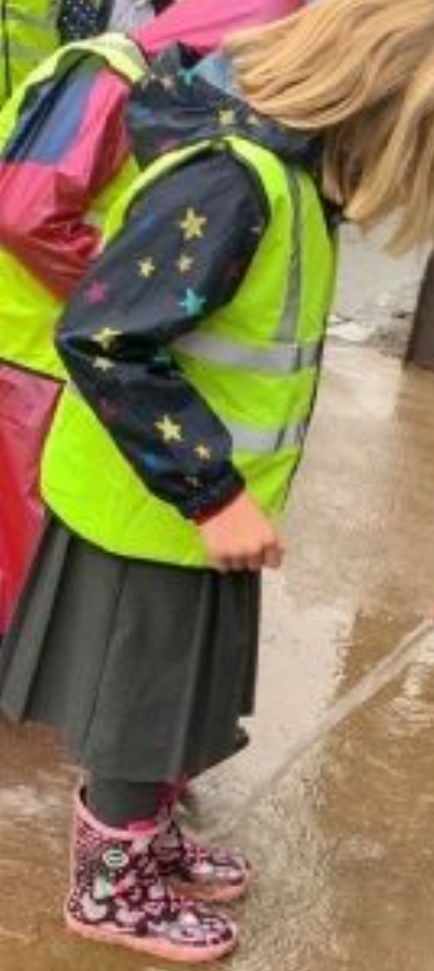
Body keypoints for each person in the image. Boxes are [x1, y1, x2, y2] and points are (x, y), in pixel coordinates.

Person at [0, 0, 434, 963]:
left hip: (191, 508)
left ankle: (143, 840)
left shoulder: (284, 180)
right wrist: (212, 491)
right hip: (155, 506)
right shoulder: (235, 185)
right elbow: (103, 335)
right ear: (373, 111)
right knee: (140, 703)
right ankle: (109, 887)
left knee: (180, 689)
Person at [0, 0, 303, 633]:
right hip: (28, 354)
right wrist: (134, 299)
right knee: (17, 565)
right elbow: (24, 214)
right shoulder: (114, 77)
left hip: (42, 350)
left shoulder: (144, 82)